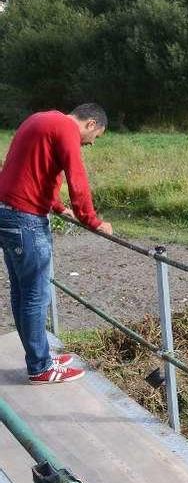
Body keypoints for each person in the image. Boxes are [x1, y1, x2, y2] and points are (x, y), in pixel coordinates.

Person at [0, 103, 113, 384]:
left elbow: (37, 172)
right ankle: (40, 367)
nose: (91, 144)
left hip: (7, 211)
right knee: (36, 296)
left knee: (22, 292)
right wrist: (92, 220)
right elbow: (77, 177)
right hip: (24, 218)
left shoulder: (41, 119)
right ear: (90, 124)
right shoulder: (66, 130)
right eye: (95, 137)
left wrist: (59, 207)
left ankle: (40, 356)